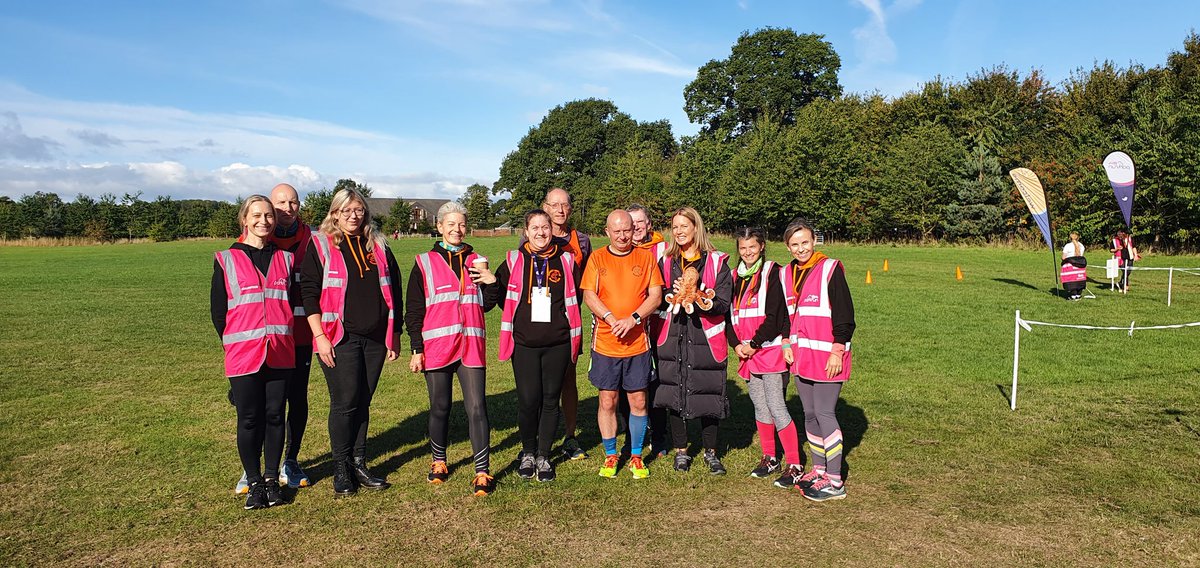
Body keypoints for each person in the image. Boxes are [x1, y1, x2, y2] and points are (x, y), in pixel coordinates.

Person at [301, 188, 403, 498]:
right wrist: (319, 336)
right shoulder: (321, 244)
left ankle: (360, 462)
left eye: (358, 209)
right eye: (345, 210)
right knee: (345, 402)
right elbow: (308, 292)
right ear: (334, 213)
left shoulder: (379, 245)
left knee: (364, 400)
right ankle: (341, 467)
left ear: (366, 212)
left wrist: (394, 333)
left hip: (375, 337)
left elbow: (394, 288)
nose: (353, 216)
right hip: (338, 336)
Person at [210, 195, 296, 509]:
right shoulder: (225, 259)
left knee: (275, 416)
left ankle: (272, 480)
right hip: (243, 355)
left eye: (269, 216)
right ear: (245, 220)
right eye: (257, 215)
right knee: (249, 419)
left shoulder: (286, 259)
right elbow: (219, 313)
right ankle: (254, 482)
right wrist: (235, 343)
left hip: (280, 352)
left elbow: (291, 304)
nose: (264, 221)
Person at [229, 184, 314, 494]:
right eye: (280, 203)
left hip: (301, 335)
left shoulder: (313, 239)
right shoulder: (249, 240)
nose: (286, 208)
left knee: (295, 399)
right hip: (259, 340)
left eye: (293, 202)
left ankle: (289, 461)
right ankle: (253, 470)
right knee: (260, 406)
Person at [406, 202, 496, 496]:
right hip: (437, 345)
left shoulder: (477, 260)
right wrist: (416, 349)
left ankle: (482, 471)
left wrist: (492, 283)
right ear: (440, 227)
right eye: (451, 224)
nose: (457, 230)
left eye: (461, 224)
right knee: (440, 406)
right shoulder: (423, 262)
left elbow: (488, 303)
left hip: (470, 344)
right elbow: (414, 310)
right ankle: (438, 461)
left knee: (476, 407)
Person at [486, 209, 583, 482]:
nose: (541, 232)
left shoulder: (566, 260)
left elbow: (576, 299)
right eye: (535, 228)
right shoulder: (513, 260)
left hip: (558, 343)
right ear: (526, 232)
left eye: (545, 227)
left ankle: (543, 456)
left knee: (551, 401)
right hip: (525, 344)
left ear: (552, 230)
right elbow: (495, 297)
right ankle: (527, 452)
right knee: (529, 401)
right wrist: (489, 283)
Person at [580, 209, 664, 479]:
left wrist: (634, 318)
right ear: (607, 232)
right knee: (607, 400)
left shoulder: (645, 258)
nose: (622, 235)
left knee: (639, 400)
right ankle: (610, 454)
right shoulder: (597, 258)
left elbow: (656, 296)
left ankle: (637, 455)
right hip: (605, 343)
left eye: (626, 229)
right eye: (616, 231)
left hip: (637, 343)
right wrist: (609, 317)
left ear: (634, 229)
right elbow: (589, 294)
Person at [651, 207, 733, 475]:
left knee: (708, 391)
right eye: (675, 227)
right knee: (674, 390)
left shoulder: (717, 261)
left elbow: (723, 302)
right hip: (672, 334)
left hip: (705, 338)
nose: (679, 231)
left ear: (696, 227)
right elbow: (657, 295)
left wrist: (700, 299)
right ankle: (681, 451)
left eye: (684, 226)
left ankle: (711, 452)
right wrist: (669, 296)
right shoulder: (665, 260)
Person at [779, 217, 856, 502]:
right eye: (795, 244)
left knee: (825, 414)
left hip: (828, 358)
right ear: (788, 247)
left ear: (814, 241)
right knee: (809, 415)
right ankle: (819, 469)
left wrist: (838, 350)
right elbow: (789, 316)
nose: (801, 249)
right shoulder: (786, 273)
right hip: (802, 358)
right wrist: (786, 343)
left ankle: (835, 481)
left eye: (805, 243)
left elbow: (846, 316)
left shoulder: (830, 268)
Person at [727, 227, 802, 487]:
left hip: (768, 351)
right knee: (760, 407)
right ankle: (770, 457)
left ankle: (794, 463)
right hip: (747, 354)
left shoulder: (773, 272)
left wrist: (754, 343)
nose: (747, 252)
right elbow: (729, 317)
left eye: (752, 247)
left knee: (777, 406)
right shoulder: (734, 276)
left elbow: (776, 315)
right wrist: (736, 344)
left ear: (761, 247)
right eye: (743, 248)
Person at [521, 188, 592, 461]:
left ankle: (570, 437)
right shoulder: (532, 236)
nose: (560, 210)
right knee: (537, 387)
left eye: (565, 205)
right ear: (545, 207)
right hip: (535, 326)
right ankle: (537, 442)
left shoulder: (582, 241)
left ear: (570, 209)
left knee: (567, 381)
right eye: (555, 205)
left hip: (564, 322)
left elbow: (586, 282)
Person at [624, 203, 669, 458]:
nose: (637, 227)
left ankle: (660, 437)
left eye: (640, 222)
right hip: (630, 330)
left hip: (659, 326)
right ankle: (632, 437)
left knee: (657, 384)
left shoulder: (663, 250)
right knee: (629, 387)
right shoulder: (622, 250)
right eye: (632, 222)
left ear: (649, 224)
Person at [1060, 231, 1087, 301]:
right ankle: (1078, 295)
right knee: (1079, 279)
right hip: (1080, 266)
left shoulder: (1068, 246)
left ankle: (1073, 296)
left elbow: (1063, 257)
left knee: (1072, 281)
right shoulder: (1082, 246)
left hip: (1070, 266)